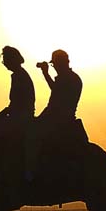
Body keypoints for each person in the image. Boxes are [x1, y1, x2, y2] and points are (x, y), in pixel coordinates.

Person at [25, 49, 83, 179]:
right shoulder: (71, 78)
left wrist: (39, 119)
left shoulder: (67, 79)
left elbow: (56, 102)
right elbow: (56, 91)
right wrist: (46, 73)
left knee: (30, 135)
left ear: (61, 63)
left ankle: (30, 172)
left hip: (58, 120)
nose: (55, 67)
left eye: (55, 64)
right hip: (61, 118)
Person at [0, 46, 35, 185]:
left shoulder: (20, 76)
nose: (5, 63)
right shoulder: (19, 75)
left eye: (6, 59)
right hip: (19, 114)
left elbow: (17, 102)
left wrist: (1, 114)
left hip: (21, 116)